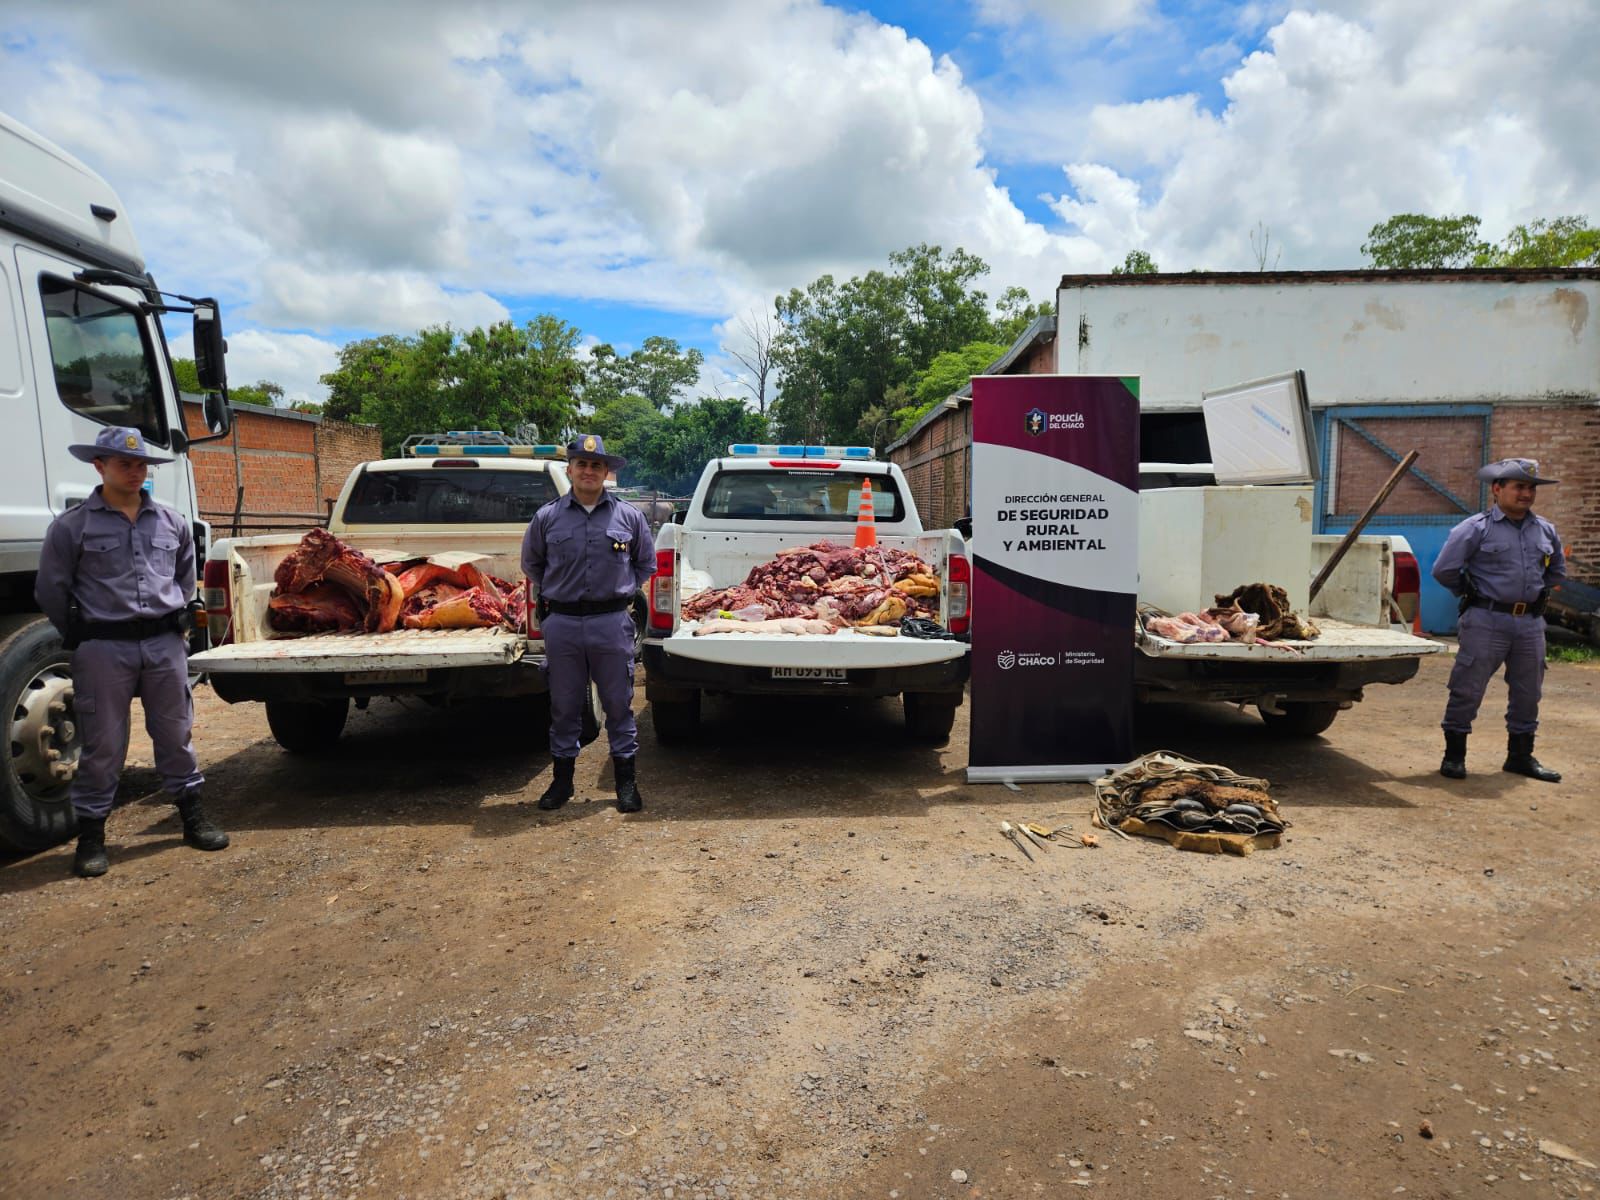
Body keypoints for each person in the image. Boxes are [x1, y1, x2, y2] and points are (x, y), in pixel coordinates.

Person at [34, 426, 229, 877]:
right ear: (98, 466)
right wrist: (83, 632)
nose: (135, 471)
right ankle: (92, 836)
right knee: (103, 743)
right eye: (125, 464)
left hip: (164, 645)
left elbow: (184, 578)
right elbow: (50, 589)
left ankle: (192, 817)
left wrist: (176, 626)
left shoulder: (172, 522)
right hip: (104, 647)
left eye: (141, 464)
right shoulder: (72, 527)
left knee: (175, 732)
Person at [521, 434, 656, 813]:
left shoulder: (628, 517)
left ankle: (625, 783)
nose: (589, 471)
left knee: (619, 703)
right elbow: (532, 564)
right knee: (564, 705)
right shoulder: (547, 517)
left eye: (596, 465)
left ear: (606, 472)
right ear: (570, 469)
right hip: (562, 623)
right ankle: (562, 783)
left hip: (612, 622)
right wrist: (555, 592)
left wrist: (620, 592)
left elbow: (645, 563)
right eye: (582, 463)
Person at [1431, 457, 1565, 783]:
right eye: (1519, 486)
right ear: (1497, 488)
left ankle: (1520, 756)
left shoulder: (1545, 530)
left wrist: (1532, 595)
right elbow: (1444, 569)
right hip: (1486, 619)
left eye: (1531, 488)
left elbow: (1556, 570)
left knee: (1528, 692)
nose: (1526, 494)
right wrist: (1470, 592)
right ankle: (1454, 756)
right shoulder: (1475, 528)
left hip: (1530, 623)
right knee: (1467, 687)